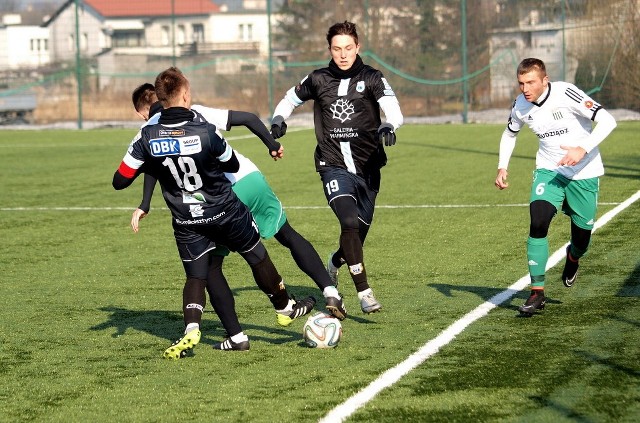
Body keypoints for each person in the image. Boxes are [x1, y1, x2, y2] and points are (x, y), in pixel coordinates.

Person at [113, 68, 316, 358]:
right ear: (184, 95)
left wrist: (152, 163)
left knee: (200, 274)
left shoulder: (145, 137)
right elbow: (231, 165)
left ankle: (198, 329)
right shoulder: (204, 130)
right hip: (224, 210)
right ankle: (284, 306)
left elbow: (120, 180)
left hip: (187, 220)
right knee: (256, 255)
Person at [130, 83, 347, 324]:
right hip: (248, 179)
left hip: (218, 201)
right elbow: (249, 118)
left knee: (211, 266)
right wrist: (272, 145)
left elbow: (151, 166)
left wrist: (145, 203)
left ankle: (238, 332)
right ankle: (330, 292)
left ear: (141, 113)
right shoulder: (197, 111)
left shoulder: (149, 130)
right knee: (286, 234)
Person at [270, 21, 403, 314]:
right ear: (329, 49)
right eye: (336, 49)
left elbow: (393, 109)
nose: (342, 55)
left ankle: (335, 262)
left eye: (348, 48)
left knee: (355, 235)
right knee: (348, 222)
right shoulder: (318, 78)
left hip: (368, 168)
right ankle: (364, 292)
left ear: (357, 48)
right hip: (331, 165)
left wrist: (389, 124)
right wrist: (279, 118)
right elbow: (289, 99)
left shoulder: (372, 78)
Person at [494, 57, 617, 316]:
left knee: (582, 238)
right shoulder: (520, 105)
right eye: (521, 83)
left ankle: (573, 257)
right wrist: (502, 166)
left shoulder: (566, 93)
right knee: (538, 221)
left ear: (544, 80)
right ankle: (537, 292)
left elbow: (608, 121)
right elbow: (509, 134)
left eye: (531, 82)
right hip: (549, 170)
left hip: (585, 171)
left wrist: (582, 149)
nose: (525, 89)